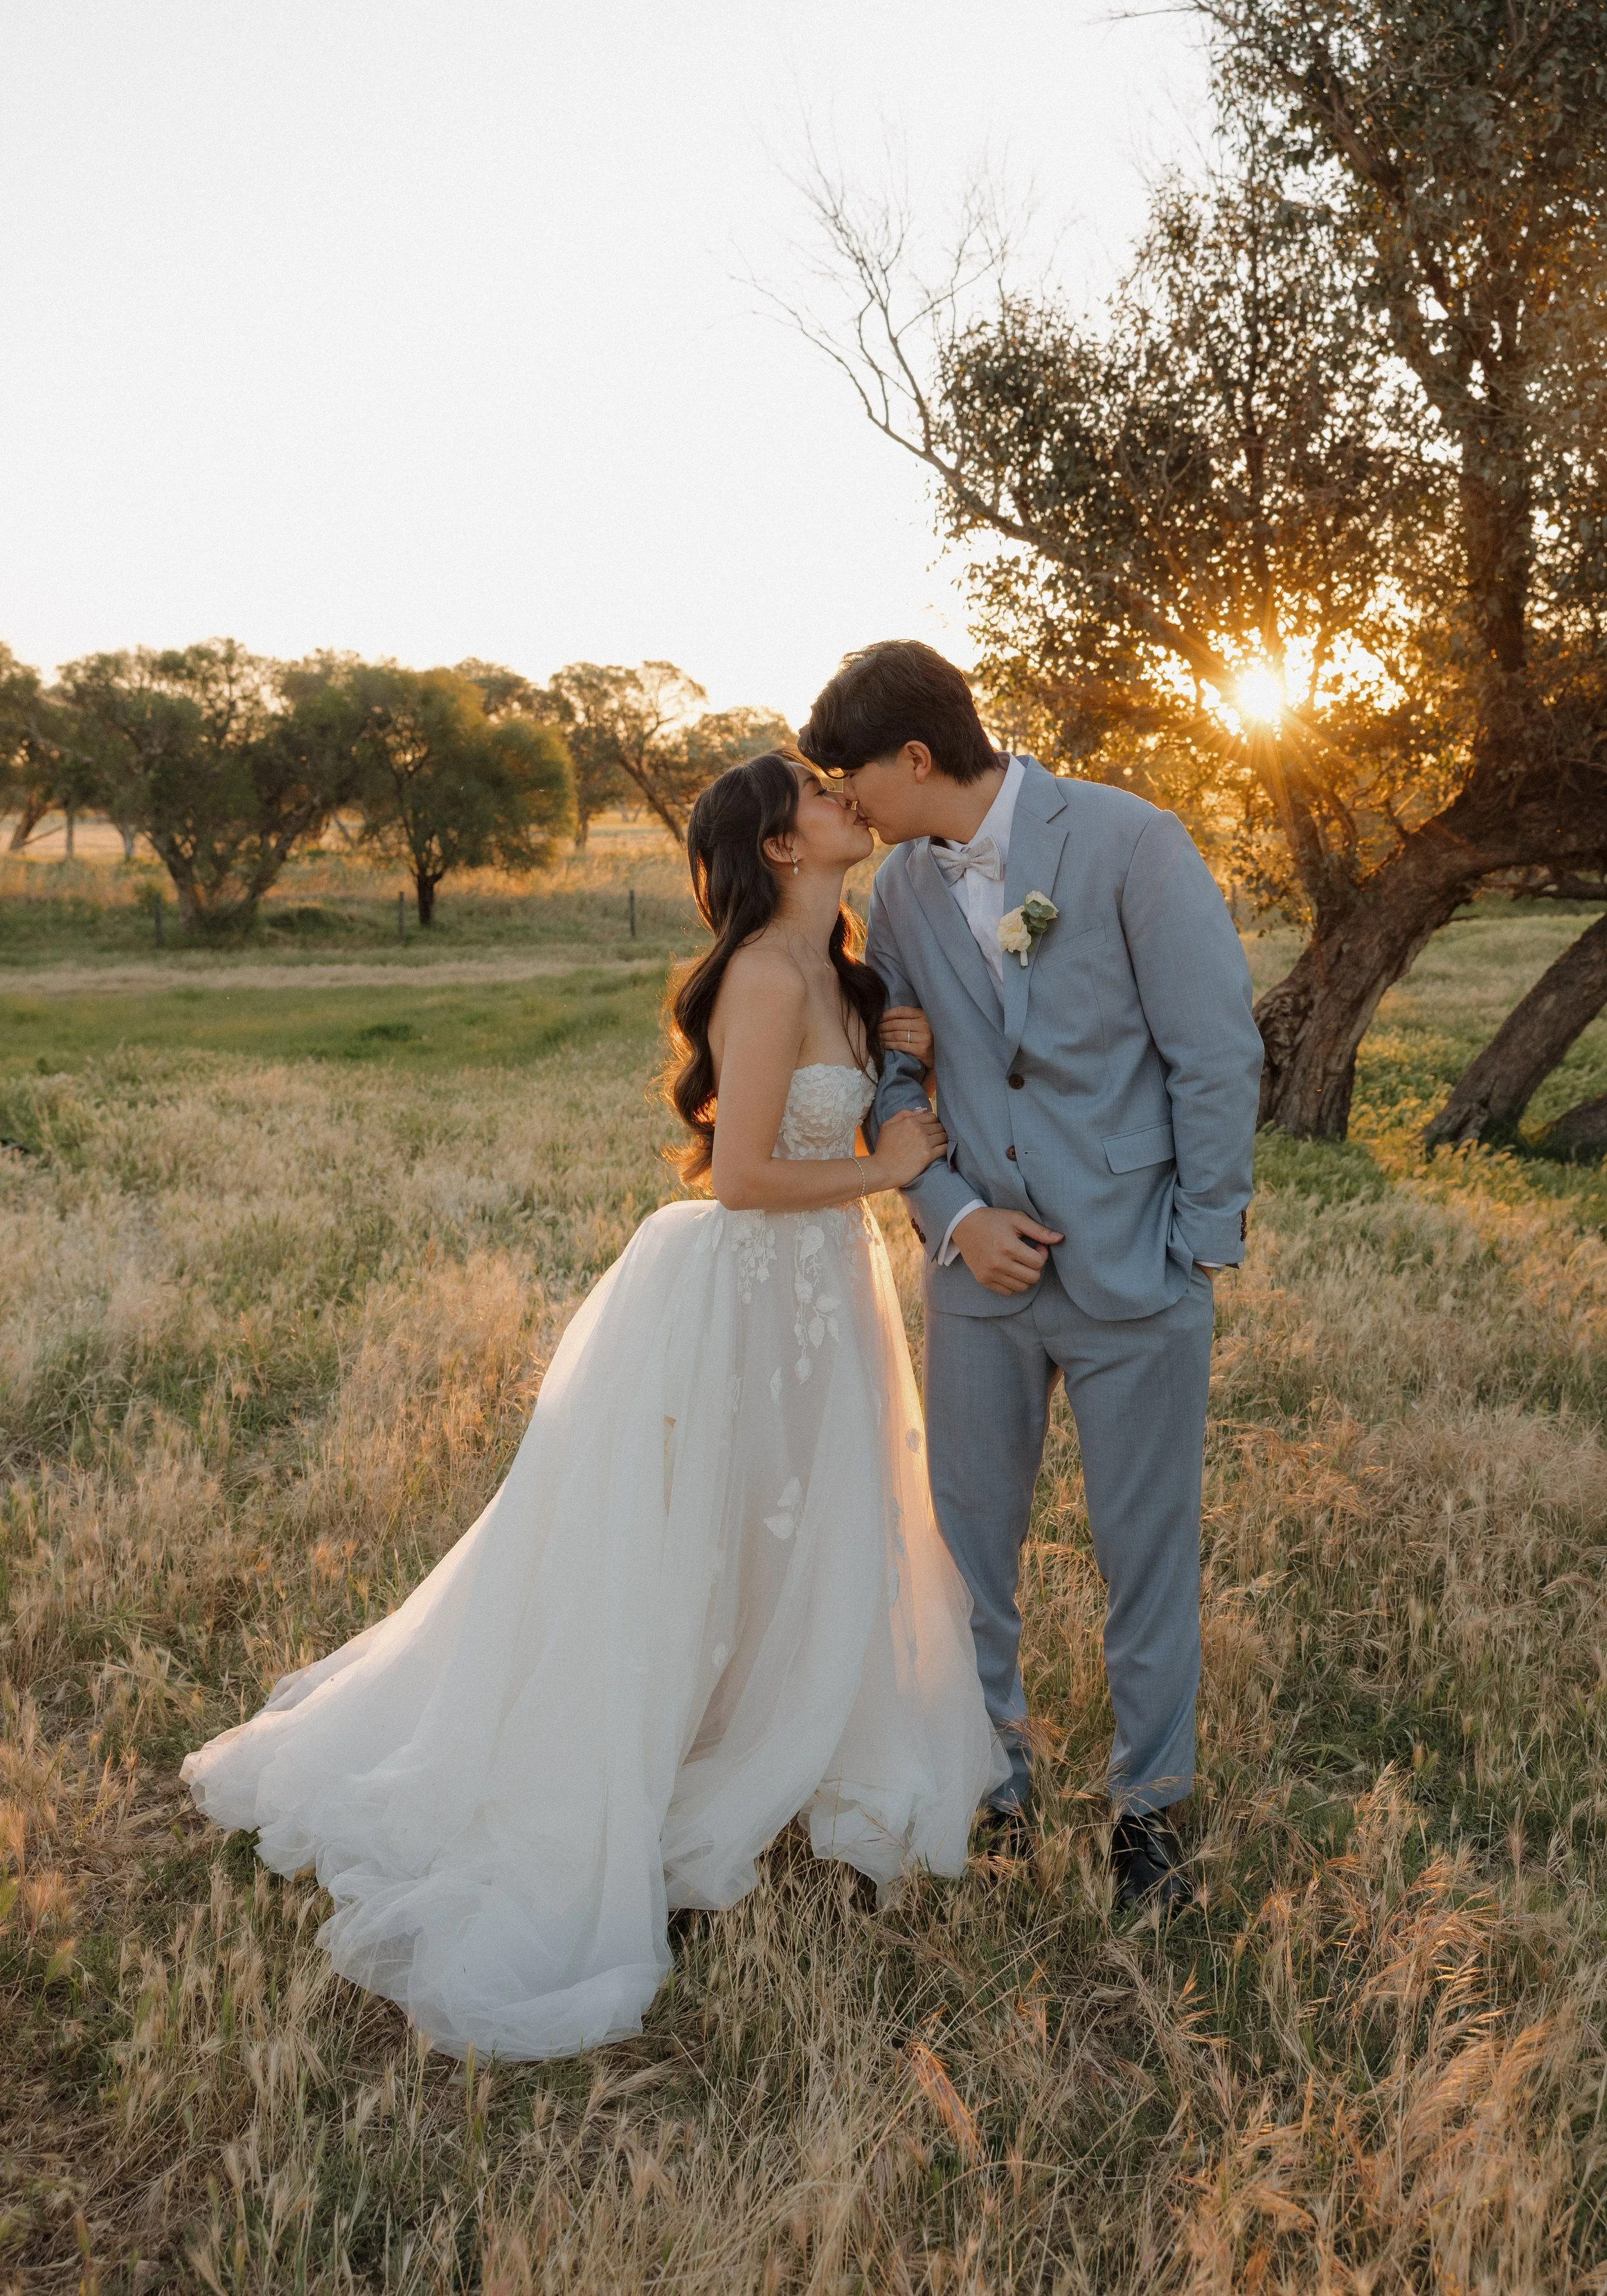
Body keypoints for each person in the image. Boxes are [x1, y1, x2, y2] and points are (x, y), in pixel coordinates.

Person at [182, 751, 1003, 2062]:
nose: (843, 795)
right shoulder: (757, 974)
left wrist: (895, 1060)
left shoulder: (843, 971)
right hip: (742, 1288)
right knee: (691, 1542)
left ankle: (771, 1749)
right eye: (814, 791)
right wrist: (879, 1166)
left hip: (820, 1296)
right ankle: (630, 1775)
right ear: (778, 846)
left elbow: (852, 1117)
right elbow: (740, 1178)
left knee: (803, 1533)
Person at [800, 642, 1264, 1913]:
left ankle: (1148, 1816)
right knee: (964, 1559)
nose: (843, 808)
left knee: (1145, 1559)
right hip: (977, 1286)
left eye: (849, 781)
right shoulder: (898, 891)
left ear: (911, 759)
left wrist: (1196, 1242)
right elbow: (895, 1081)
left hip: (1137, 1269)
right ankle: (987, 1790)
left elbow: (1214, 1051)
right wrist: (948, 1219)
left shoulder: (1126, 841)